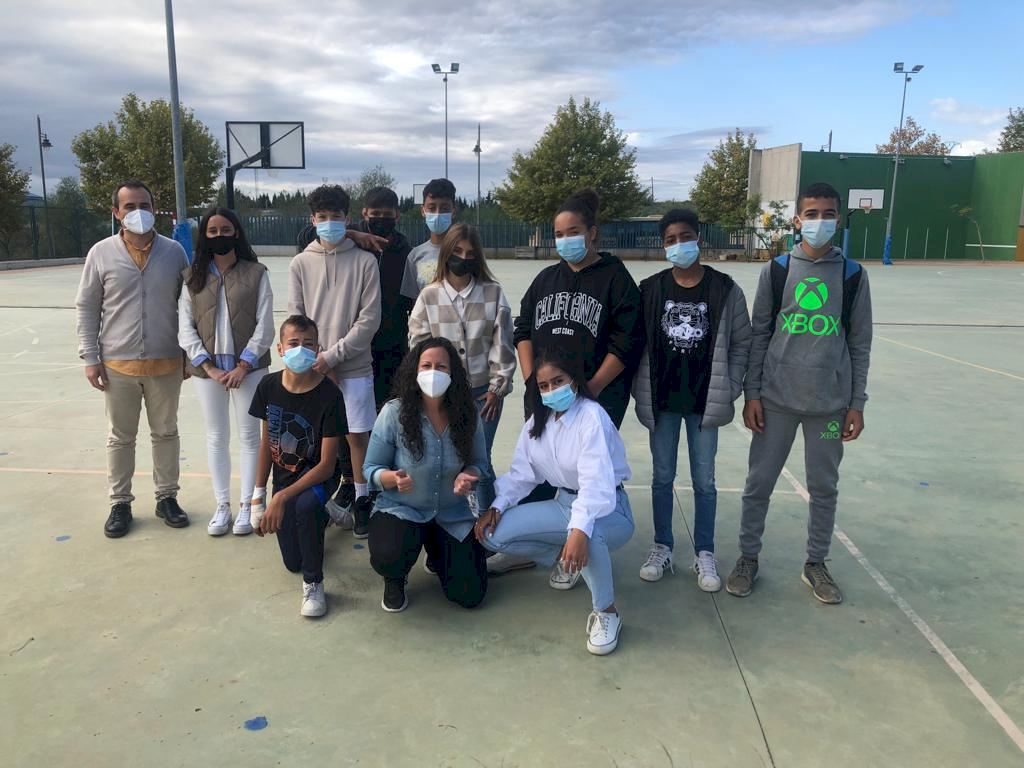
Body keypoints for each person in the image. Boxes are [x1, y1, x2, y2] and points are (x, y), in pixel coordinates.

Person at [726, 182, 873, 605]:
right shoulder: (776, 271)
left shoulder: (852, 275)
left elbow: (859, 343)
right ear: (797, 220)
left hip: (828, 406)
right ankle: (748, 558)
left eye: (827, 214)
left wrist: (856, 404)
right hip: (776, 402)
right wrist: (753, 394)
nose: (819, 221)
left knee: (823, 486)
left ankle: (816, 563)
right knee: (759, 483)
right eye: (811, 214)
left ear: (838, 219)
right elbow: (759, 335)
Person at [491, 188, 641, 580]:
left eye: (573, 232)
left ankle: (579, 547)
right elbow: (523, 329)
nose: (565, 240)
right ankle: (538, 548)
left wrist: (590, 389)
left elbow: (626, 342)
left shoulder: (615, 279)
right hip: (546, 394)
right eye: (559, 234)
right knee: (540, 467)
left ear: (592, 233)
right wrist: (531, 379)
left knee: (584, 476)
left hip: (594, 397)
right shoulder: (546, 279)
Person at [475, 348, 634, 656]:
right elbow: (522, 474)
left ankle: (607, 612)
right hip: (564, 504)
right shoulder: (538, 422)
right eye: (544, 385)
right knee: (491, 534)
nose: (551, 390)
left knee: (588, 531)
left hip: (610, 510)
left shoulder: (592, 417)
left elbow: (595, 486)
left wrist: (579, 531)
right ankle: (567, 558)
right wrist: (497, 506)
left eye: (558, 381)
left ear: (574, 379)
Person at [632, 208, 752, 590]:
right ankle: (662, 546)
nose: (678, 245)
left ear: (698, 238)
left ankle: (705, 552)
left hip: (704, 403)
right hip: (663, 401)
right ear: (663, 245)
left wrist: (730, 387)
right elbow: (633, 344)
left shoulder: (725, 289)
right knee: (661, 476)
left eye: (685, 237)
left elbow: (742, 343)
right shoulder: (649, 290)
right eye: (670, 240)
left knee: (705, 481)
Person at [75, 179, 191, 538]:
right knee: (120, 438)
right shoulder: (101, 253)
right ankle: (120, 502)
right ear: (116, 212)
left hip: (166, 362)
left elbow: (190, 306)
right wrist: (90, 356)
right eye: (129, 206)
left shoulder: (174, 252)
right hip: (117, 365)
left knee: (166, 433)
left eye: (144, 205)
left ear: (154, 209)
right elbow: (88, 306)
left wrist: (189, 354)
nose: (138, 212)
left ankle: (167, 497)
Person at [363, 338, 491, 613]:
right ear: (415, 370)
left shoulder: (468, 413)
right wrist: (391, 478)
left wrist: (468, 475)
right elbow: (370, 468)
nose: (434, 372)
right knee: (389, 554)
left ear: (453, 373)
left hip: (451, 514)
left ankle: (436, 552)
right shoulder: (394, 412)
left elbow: (480, 464)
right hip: (403, 509)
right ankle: (395, 578)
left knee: (471, 594)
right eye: (426, 366)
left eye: (441, 367)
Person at [288, 184, 380, 539]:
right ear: (312, 220)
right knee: (317, 439)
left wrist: (332, 356)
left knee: (357, 437)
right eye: (322, 216)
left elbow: (368, 320)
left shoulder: (365, 262)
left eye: (336, 216)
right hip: (311, 369)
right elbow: (296, 319)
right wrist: (315, 359)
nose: (329, 222)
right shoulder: (300, 263)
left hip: (353, 366)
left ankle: (362, 498)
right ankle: (314, 501)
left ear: (348, 218)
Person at [178, 207, 274, 537]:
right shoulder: (192, 277)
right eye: (213, 231)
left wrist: (244, 364)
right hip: (208, 371)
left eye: (225, 230)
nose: (219, 236)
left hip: (249, 369)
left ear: (236, 233)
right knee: (216, 436)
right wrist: (207, 366)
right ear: (204, 235)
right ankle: (222, 505)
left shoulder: (257, 272)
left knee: (249, 437)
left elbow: (265, 324)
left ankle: (247, 504)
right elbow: (185, 326)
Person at [407, 223, 515, 510]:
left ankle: (487, 520)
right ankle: (452, 514)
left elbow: (503, 343)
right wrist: (430, 386)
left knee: (480, 460)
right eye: (457, 251)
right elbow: (419, 346)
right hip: (444, 393)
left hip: (484, 395)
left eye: (470, 253)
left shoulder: (493, 293)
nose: (463, 258)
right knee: (449, 457)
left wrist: (498, 388)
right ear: (446, 253)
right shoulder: (429, 296)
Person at [249, 315, 346, 618]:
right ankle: (323, 515)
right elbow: (266, 444)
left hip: (318, 478)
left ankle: (314, 584)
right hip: (285, 478)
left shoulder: (330, 395)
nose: (300, 349)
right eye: (293, 343)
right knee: (293, 562)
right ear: (280, 348)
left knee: (305, 507)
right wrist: (258, 496)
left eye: (308, 344)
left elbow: (327, 465)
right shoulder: (268, 386)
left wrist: (281, 497)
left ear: (318, 349)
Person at [402, 178, 457, 295]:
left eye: (445, 209)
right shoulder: (415, 256)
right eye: (432, 208)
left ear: (453, 212)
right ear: (423, 211)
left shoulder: (465, 253)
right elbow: (413, 300)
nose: (438, 213)